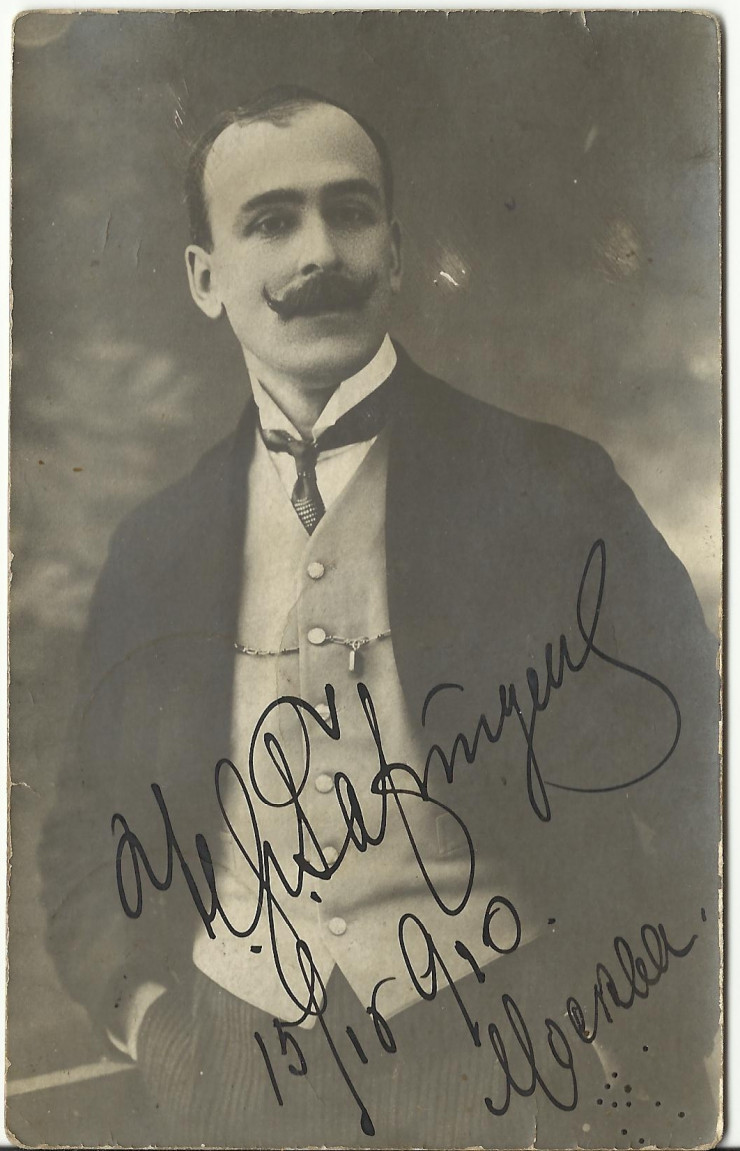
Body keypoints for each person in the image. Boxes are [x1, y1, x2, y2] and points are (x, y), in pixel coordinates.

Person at [41, 86, 720, 1149]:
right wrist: (145, 1017)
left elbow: (693, 774)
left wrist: (633, 1032)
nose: (321, 252)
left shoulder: (553, 488)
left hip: (501, 1060)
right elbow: (87, 820)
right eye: (271, 221)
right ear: (205, 278)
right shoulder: (156, 544)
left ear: (396, 254)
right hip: (228, 1068)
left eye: (350, 212)